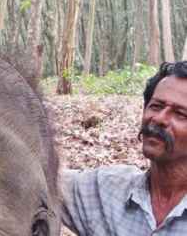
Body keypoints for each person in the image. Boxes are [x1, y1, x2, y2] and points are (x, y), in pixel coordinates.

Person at [61, 61, 187, 235]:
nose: (159, 119)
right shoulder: (105, 191)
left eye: (180, 114)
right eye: (156, 106)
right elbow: (42, 180)